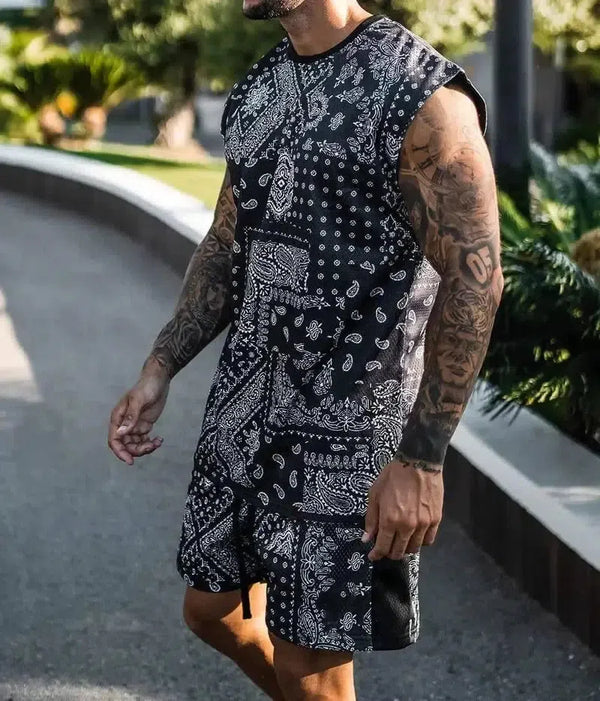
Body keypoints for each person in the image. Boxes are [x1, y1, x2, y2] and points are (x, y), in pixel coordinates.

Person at [108, 1, 503, 699]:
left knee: (312, 671)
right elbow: (227, 240)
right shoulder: (259, 85)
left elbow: (477, 279)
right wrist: (160, 365)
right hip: (245, 411)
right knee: (211, 611)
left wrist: (421, 460)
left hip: (345, 434)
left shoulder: (424, 96)